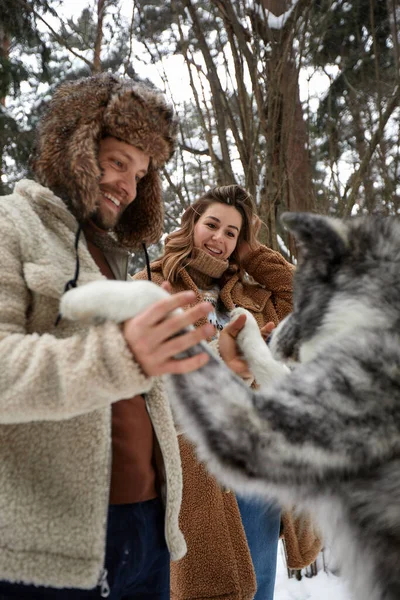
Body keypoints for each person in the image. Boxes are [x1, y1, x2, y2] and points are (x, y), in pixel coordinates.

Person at [0, 73, 216, 600]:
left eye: (141, 174)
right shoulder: (11, 224)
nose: (128, 185)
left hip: (150, 536)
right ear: (75, 144)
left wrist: (200, 361)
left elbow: (136, 388)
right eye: (118, 162)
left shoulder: (115, 258)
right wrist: (122, 353)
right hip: (50, 557)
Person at [134, 184, 322, 600]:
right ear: (192, 224)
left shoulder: (254, 297)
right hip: (195, 475)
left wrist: (254, 253)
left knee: (258, 589)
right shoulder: (150, 286)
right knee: (206, 589)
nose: (219, 239)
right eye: (212, 225)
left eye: (232, 233)